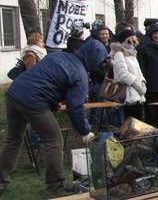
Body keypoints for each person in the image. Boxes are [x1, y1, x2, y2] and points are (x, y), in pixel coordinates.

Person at [0, 39, 106, 197]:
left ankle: (1, 181)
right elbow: (75, 107)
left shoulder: (56, 56)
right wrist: (85, 131)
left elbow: (45, 80)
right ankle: (55, 188)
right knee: (54, 141)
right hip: (33, 100)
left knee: (13, 139)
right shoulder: (80, 73)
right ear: (95, 59)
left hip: (14, 93)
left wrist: (52, 102)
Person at [110, 29, 147, 121]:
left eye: (134, 41)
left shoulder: (132, 54)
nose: (132, 43)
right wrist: (137, 86)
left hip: (137, 94)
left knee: (138, 121)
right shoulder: (119, 54)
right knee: (129, 121)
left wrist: (143, 83)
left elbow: (139, 72)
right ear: (123, 40)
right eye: (129, 41)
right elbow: (123, 74)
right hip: (128, 93)